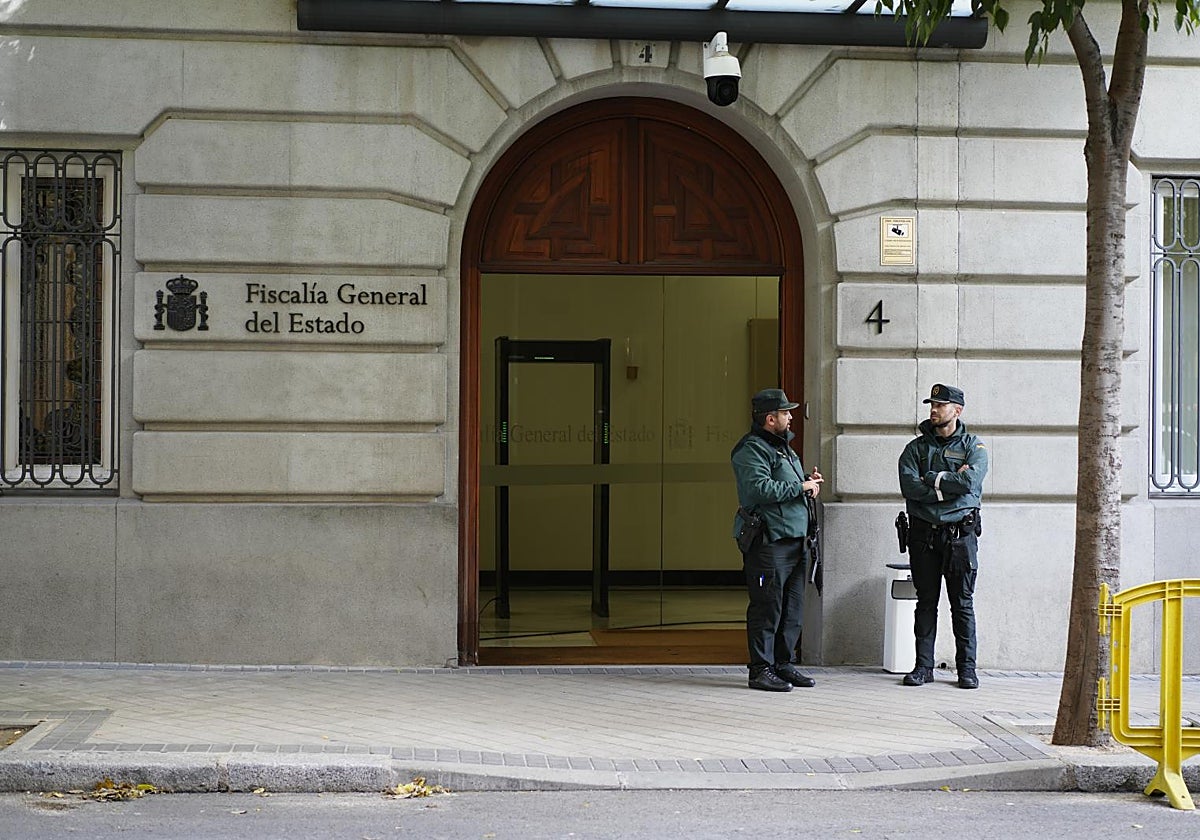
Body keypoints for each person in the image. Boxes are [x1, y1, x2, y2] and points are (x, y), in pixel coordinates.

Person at [731, 388, 824, 692]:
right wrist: (800, 486)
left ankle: (783, 665)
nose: (791, 416)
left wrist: (809, 485)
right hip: (769, 542)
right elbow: (759, 489)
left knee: (792, 609)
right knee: (767, 607)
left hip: (796, 541)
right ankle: (760, 669)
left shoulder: (784, 448)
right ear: (771, 419)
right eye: (785, 412)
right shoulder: (751, 449)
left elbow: (790, 485)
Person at [897, 384, 989, 689]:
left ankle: (967, 669)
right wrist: (949, 486)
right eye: (931, 405)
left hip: (959, 537)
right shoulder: (915, 449)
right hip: (923, 536)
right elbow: (910, 488)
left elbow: (970, 483)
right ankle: (923, 667)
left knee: (962, 603)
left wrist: (934, 480)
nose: (933, 410)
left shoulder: (974, 448)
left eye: (940, 405)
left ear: (957, 410)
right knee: (925, 602)